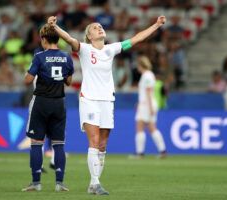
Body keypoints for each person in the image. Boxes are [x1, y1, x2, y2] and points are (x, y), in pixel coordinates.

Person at [47, 14, 166, 195]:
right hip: (89, 100)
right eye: (95, 28)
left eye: (100, 26)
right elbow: (69, 38)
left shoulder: (111, 50)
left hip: (107, 101)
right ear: (89, 36)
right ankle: (95, 183)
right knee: (94, 141)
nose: (99, 28)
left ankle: (94, 183)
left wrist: (156, 25)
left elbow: (135, 39)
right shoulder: (84, 49)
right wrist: (55, 27)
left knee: (103, 144)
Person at [21, 24, 74, 192]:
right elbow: (69, 81)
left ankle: (36, 183)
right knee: (59, 144)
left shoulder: (39, 57)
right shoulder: (67, 57)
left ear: (43, 39)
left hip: (41, 102)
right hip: (59, 103)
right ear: (57, 38)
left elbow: (28, 81)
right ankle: (60, 183)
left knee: (36, 143)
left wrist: (28, 72)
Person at [135, 56, 167, 158]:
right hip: (145, 104)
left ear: (141, 65)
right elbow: (145, 92)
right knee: (152, 128)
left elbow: (149, 93)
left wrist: (150, 108)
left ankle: (140, 153)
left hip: (147, 105)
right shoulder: (148, 75)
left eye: (138, 65)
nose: (137, 68)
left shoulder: (147, 76)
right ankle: (162, 151)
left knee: (141, 127)